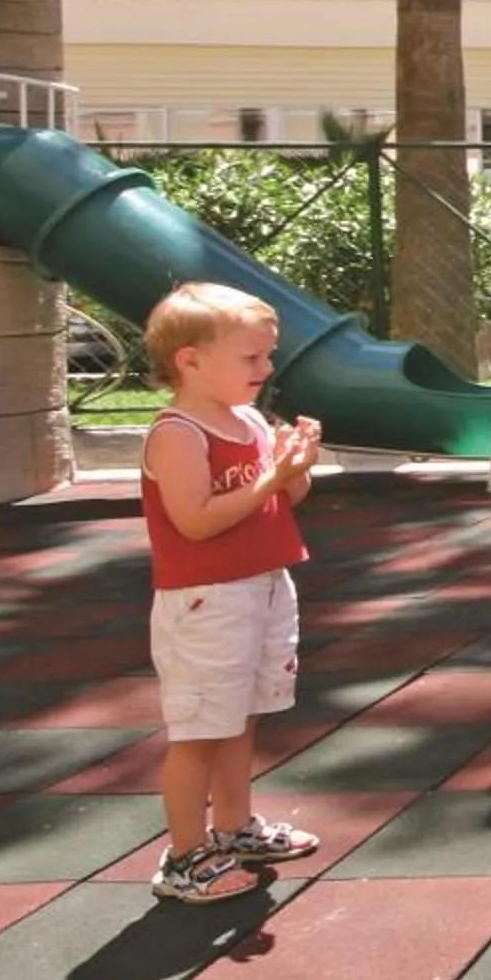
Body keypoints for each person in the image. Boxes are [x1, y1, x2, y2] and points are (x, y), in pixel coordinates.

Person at [138, 283, 322, 903]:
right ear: (190, 360)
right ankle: (184, 857)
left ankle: (234, 824)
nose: (265, 370)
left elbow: (284, 498)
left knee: (241, 713)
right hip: (206, 600)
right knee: (199, 730)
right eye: (250, 359)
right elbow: (197, 520)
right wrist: (274, 475)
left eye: (267, 357)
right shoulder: (178, 433)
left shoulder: (246, 420)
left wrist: (294, 468)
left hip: (263, 585)